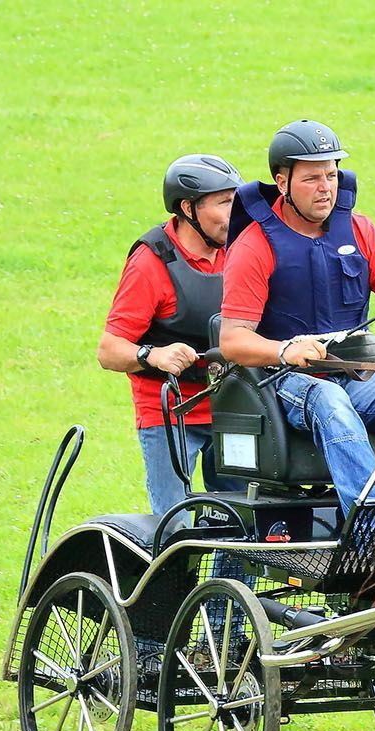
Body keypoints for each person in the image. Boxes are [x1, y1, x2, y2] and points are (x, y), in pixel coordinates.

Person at [218, 120, 375, 511]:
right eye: (312, 178)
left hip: (354, 371)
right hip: (286, 381)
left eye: (331, 174)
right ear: (282, 182)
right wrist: (284, 352)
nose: (326, 186)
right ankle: (371, 523)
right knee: (331, 403)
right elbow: (232, 341)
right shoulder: (254, 245)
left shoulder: (361, 231)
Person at [98, 154, 245, 516]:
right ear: (187, 208)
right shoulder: (151, 263)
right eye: (224, 203)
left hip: (234, 407)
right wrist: (153, 355)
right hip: (171, 411)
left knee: (245, 519)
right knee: (174, 524)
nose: (235, 213)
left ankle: (229, 577)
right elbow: (108, 350)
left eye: (236, 201)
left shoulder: (242, 249)